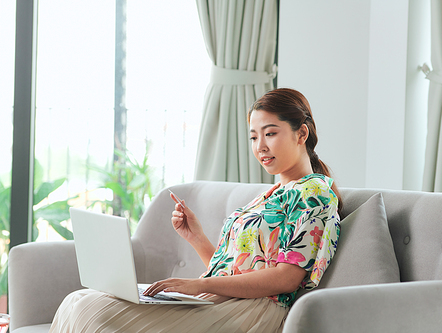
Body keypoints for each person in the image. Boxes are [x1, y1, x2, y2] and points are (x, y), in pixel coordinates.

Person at [49, 88, 342, 333]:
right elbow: (233, 268)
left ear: (301, 133)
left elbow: (287, 278)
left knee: (94, 312)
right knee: (79, 300)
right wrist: (197, 238)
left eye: (270, 133)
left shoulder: (314, 191)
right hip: (221, 298)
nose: (260, 146)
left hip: (252, 312)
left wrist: (194, 285)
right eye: (253, 137)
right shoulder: (269, 195)